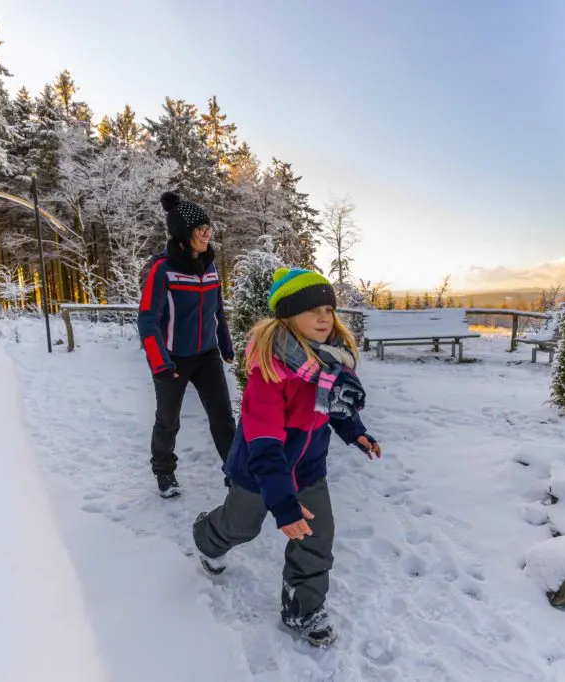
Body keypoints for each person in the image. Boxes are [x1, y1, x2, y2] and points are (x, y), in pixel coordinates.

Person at [192, 267, 382, 647]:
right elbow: (264, 445)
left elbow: (332, 406)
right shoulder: (271, 372)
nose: (324, 317)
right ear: (288, 317)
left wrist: (354, 430)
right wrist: (282, 504)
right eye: (312, 310)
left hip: (309, 467)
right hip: (259, 471)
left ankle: (303, 609)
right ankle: (207, 538)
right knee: (241, 526)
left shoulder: (328, 365)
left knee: (317, 534)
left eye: (328, 308)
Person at [138, 191, 236, 499]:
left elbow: (217, 310)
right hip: (172, 360)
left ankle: (236, 472)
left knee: (223, 417)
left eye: (208, 227)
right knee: (168, 421)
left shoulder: (210, 267)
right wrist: (160, 363)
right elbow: (147, 319)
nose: (207, 233)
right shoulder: (163, 270)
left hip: (207, 356)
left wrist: (225, 345)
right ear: (183, 233)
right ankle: (164, 472)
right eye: (200, 228)